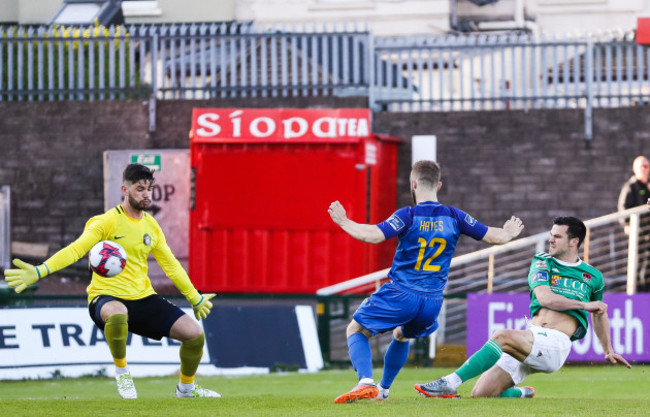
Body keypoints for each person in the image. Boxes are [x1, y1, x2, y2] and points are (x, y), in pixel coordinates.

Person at [4, 164, 219, 399]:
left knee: (195, 335)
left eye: (149, 189)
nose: (146, 194)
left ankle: (186, 390)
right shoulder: (105, 222)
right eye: (140, 189)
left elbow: (171, 266)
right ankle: (122, 372)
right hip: (106, 297)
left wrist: (194, 297)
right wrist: (40, 270)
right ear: (124, 189)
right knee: (117, 314)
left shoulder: (151, 226)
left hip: (143, 297)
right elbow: (76, 250)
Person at [327, 160, 525, 403]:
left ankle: (366, 382)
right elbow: (495, 236)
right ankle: (383, 390)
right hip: (432, 301)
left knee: (355, 329)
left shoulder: (407, 215)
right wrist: (510, 232)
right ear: (439, 185)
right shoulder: (455, 216)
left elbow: (373, 235)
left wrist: (344, 221)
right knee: (401, 335)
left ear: (413, 183)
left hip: (402, 292)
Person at [414, 216, 632, 400]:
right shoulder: (542, 261)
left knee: (501, 336)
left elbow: (599, 312)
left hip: (555, 344)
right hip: (533, 335)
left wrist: (608, 350)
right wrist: (585, 304)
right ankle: (521, 393)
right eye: (551, 235)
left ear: (574, 241)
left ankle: (449, 383)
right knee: (480, 394)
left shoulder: (593, 276)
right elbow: (545, 297)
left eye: (557, 236)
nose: (551, 240)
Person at [618, 156, 650, 291]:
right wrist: (627, 225)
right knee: (641, 264)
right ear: (634, 169)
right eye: (641, 166)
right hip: (640, 233)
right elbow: (623, 208)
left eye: (646, 166)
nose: (644, 169)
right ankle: (641, 294)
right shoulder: (631, 186)